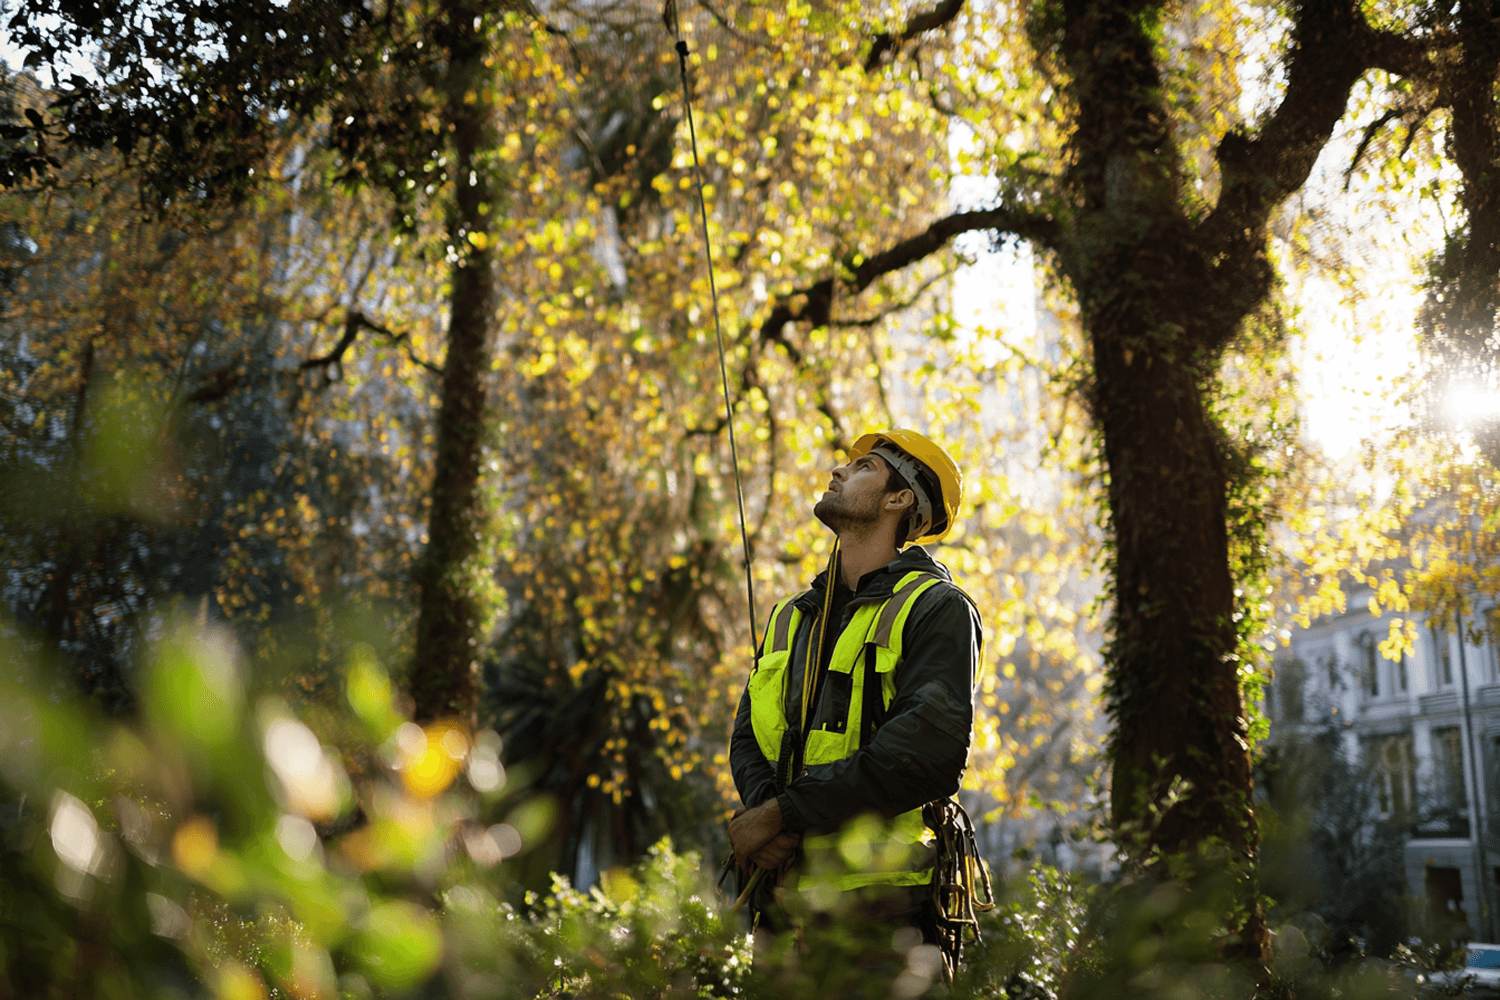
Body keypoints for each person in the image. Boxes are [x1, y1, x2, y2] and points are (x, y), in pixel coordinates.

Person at [726, 429, 985, 974]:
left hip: (882, 914)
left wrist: (780, 815)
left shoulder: (936, 609)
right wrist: (763, 814)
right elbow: (750, 735)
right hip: (781, 902)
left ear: (900, 498)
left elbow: (925, 756)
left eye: (863, 466)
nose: (839, 471)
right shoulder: (790, 617)